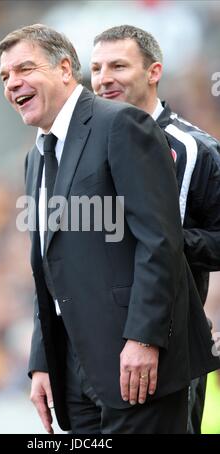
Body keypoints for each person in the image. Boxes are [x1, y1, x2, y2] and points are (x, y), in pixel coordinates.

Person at [0, 24, 219, 434]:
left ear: (64, 69)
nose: (13, 83)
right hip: (73, 366)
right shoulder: (35, 157)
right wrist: (42, 361)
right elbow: (49, 267)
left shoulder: (123, 126)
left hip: (137, 359)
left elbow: (158, 240)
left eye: (24, 69)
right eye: (5, 76)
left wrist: (144, 338)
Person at [90, 24, 220, 434]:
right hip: (93, 344)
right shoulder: (81, 144)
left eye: (118, 65)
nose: (103, 77)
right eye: (95, 68)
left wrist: (162, 241)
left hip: (168, 348)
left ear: (153, 71)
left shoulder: (195, 149)